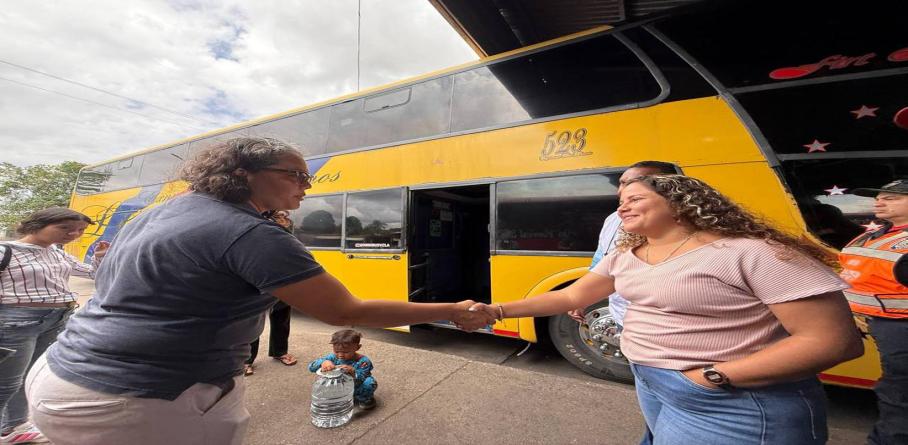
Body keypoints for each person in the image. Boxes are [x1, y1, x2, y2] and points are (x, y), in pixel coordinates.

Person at [24, 137, 493, 445]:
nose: (307, 186)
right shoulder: (250, 233)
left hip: (61, 376)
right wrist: (455, 308)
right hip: (139, 401)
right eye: (296, 175)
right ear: (243, 172)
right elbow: (345, 310)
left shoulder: (160, 212)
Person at [471, 174, 863, 444]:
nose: (622, 209)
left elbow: (833, 341)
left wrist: (713, 377)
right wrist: (496, 310)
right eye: (620, 202)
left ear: (681, 204)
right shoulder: (628, 254)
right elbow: (571, 297)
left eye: (635, 199)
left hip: (734, 400)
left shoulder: (754, 253)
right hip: (654, 383)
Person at [0, 208, 108, 445]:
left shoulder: (57, 253)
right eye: (65, 228)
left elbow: (93, 274)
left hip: (57, 319)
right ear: (36, 224)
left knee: (28, 376)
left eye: (80, 230)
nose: (73, 234)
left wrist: (99, 256)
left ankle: (12, 427)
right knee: (6, 381)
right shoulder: (6, 251)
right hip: (16, 323)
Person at [567, 161, 677, 329]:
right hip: (622, 319)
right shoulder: (613, 219)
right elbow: (600, 261)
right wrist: (584, 296)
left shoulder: (690, 230)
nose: (621, 191)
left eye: (633, 183)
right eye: (621, 183)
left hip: (666, 327)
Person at [840, 179, 908, 445]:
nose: (879, 202)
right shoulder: (878, 233)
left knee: (900, 398)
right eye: (878, 197)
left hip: (902, 328)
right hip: (881, 324)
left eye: (892, 198)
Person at [245, 210, 298, 376]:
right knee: (253, 319)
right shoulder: (253, 218)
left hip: (282, 276)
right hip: (256, 277)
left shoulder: (286, 223)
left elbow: (290, 245)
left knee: (281, 316)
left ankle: (279, 351)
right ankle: (246, 360)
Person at [308, 329, 377, 410]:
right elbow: (311, 367)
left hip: (356, 387)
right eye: (336, 351)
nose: (340, 355)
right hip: (339, 388)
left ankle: (365, 398)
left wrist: (353, 372)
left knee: (370, 382)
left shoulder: (364, 361)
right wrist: (323, 362)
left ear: (357, 347)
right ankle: (338, 399)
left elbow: (362, 377)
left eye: (346, 352)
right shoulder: (332, 357)